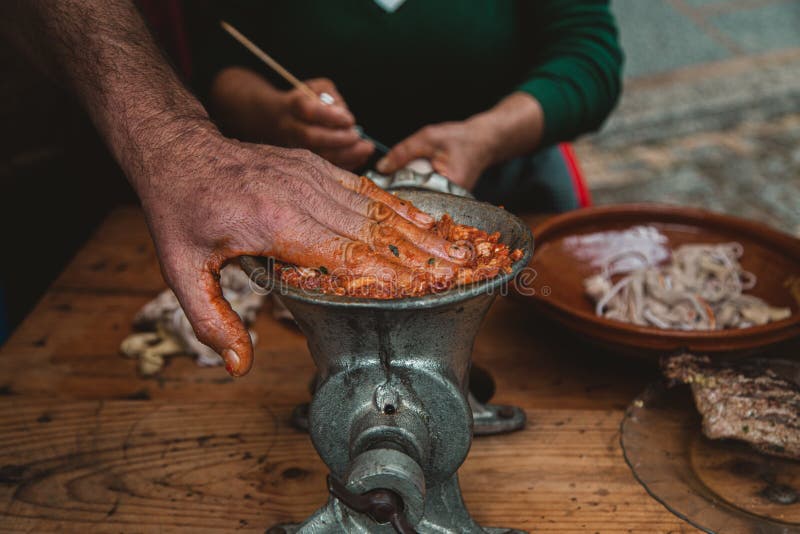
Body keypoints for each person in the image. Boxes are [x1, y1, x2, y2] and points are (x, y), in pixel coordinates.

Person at [1, 0, 469, 377]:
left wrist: (489, 135)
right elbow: (222, 47)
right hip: (281, 196)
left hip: (495, 177)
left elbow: (550, 49)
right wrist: (182, 143)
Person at [187, 0, 623, 212]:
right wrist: (278, 114)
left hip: (507, 195)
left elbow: (588, 57)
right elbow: (218, 58)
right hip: (300, 203)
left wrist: (489, 137)